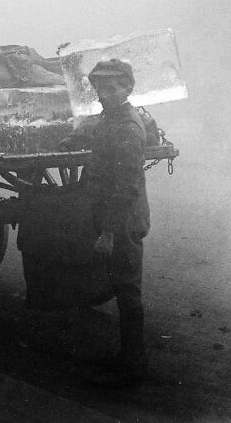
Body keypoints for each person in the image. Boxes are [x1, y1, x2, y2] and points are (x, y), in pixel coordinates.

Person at [71, 58, 150, 385]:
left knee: (128, 288)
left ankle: (133, 364)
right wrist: (72, 139)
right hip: (111, 214)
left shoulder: (128, 128)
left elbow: (127, 187)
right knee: (122, 282)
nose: (105, 93)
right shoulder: (110, 119)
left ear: (128, 88)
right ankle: (129, 358)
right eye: (100, 87)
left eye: (112, 87)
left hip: (123, 219)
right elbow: (96, 133)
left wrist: (107, 232)